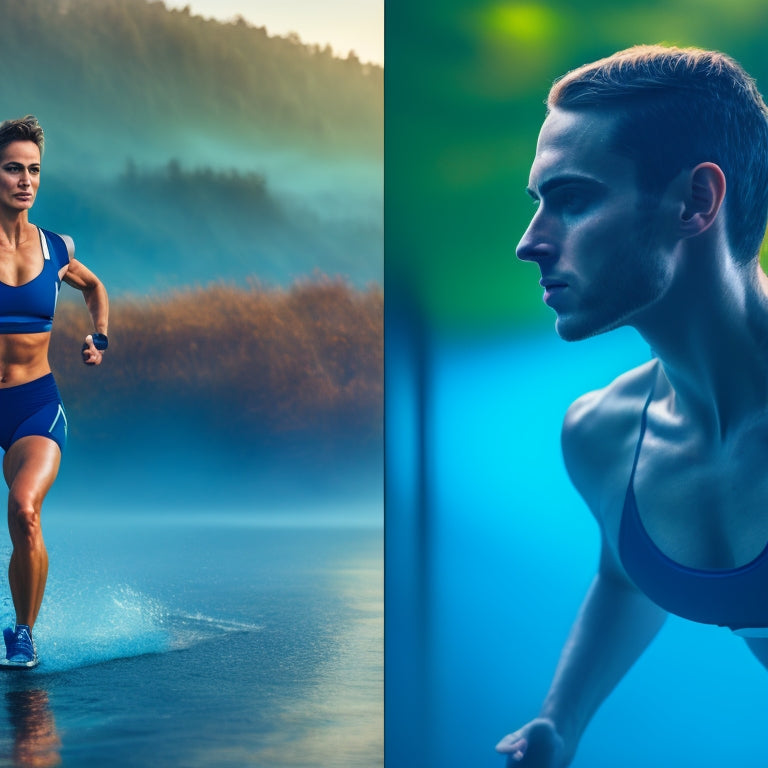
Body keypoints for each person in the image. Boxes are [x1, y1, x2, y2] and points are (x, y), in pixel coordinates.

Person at [495, 45, 768, 766]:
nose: (530, 243)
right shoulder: (603, 436)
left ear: (696, 201)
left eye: (575, 199)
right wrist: (562, 721)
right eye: (539, 203)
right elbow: (627, 573)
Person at [0, 116, 108, 669]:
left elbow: (93, 287)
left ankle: (21, 634)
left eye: (33, 170)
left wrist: (99, 337)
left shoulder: (54, 246)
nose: (25, 179)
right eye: (13, 168)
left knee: (24, 511)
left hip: (34, 404)